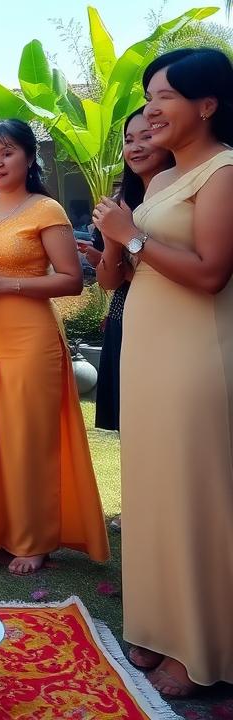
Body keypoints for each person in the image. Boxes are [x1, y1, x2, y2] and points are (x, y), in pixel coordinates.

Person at [93, 48, 233, 697]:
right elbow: (123, 273)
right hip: (146, 354)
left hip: (194, 355)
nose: (150, 110)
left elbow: (210, 273)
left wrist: (133, 236)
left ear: (207, 105)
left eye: (164, 96)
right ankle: (157, 623)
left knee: (192, 494)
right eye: (149, 97)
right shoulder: (161, 179)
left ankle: (203, 648)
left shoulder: (223, 171)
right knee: (151, 490)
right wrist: (116, 242)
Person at [0, 119, 108, 575]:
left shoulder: (46, 209)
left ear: (29, 158)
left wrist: (6, 284)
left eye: (8, 153)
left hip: (31, 338)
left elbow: (72, 280)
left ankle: (33, 539)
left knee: (27, 440)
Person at [82, 112, 172, 434]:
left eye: (146, 137)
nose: (135, 147)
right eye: (129, 140)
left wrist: (128, 238)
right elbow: (109, 281)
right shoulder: (119, 204)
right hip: (125, 315)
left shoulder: (180, 202)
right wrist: (110, 243)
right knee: (132, 425)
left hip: (172, 318)